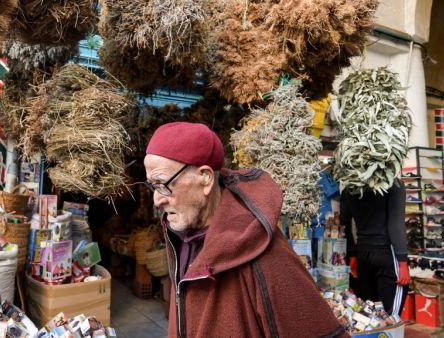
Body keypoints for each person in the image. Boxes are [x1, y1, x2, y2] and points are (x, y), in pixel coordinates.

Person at [143, 122, 348, 338]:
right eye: (152, 186)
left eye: (163, 184)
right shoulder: (182, 238)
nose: (157, 200)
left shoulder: (264, 252)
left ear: (205, 178)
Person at [340, 182, 410, 316]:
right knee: (391, 317)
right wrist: (402, 262)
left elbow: (345, 226)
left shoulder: (349, 189)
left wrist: (353, 254)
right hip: (387, 254)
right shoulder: (394, 185)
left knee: (369, 314)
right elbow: (396, 225)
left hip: (362, 254)